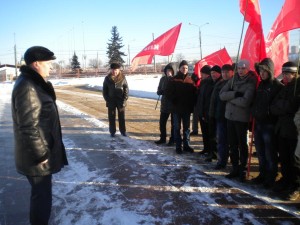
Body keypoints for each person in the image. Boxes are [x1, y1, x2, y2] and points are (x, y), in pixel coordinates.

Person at [11, 46, 68, 225]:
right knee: (41, 198)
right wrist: (41, 155)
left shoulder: (33, 83)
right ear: (36, 64)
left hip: (40, 152)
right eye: (48, 63)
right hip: (37, 157)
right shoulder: (28, 87)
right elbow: (28, 127)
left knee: (42, 196)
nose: (51, 67)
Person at [220, 59, 258, 182]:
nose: (241, 71)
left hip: (241, 118)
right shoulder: (233, 80)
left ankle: (242, 168)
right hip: (229, 116)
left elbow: (245, 102)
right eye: (239, 68)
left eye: (243, 68)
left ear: (248, 69)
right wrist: (235, 94)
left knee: (242, 145)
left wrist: (229, 97)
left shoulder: (251, 82)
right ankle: (235, 168)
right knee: (232, 144)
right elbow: (222, 95)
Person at [250, 58, 283, 188]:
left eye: (264, 71)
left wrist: (268, 113)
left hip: (269, 125)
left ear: (270, 71)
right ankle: (262, 173)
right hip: (258, 123)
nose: (262, 73)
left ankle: (271, 175)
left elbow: (277, 106)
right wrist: (254, 111)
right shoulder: (260, 84)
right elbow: (256, 102)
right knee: (260, 151)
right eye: (260, 70)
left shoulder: (277, 86)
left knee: (270, 152)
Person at [270, 61, 300, 200]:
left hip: (293, 130)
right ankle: (286, 180)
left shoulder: (297, 87)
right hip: (281, 128)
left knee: (294, 160)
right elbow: (274, 106)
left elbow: (292, 106)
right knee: (284, 158)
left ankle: (295, 185)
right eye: (284, 74)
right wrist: (285, 107)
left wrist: (285, 107)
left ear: (295, 74)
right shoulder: (284, 87)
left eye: (288, 74)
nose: (285, 77)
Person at [165, 60, 197, 154]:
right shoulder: (174, 80)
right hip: (176, 109)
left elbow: (194, 94)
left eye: (186, 68)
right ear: (179, 68)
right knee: (177, 128)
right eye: (183, 67)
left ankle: (186, 145)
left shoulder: (190, 80)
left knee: (187, 128)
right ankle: (178, 146)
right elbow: (167, 93)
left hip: (187, 109)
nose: (184, 69)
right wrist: (173, 99)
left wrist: (192, 104)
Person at [209, 64, 234, 169]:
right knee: (221, 141)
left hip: (232, 116)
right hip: (220, 116)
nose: (225, 74)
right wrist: (212, 114)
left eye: (227, 72)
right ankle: (221, 161)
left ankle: (236, 162)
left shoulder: (234, 83)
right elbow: (214, 100)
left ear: (232, 72)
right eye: (223, 72)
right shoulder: (220, 84)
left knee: (233, 142)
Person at [103, 63, 129, 137]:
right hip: (111, 101)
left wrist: (124, 100)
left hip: (121, 101)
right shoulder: (107, 78)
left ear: (119, 70)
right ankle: (112, 132)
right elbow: (104, 91)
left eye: (116, 70)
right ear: (111, 70)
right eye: (113, 70)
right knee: (111, 117)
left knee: (122, 118)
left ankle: (123, 131)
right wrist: (107, 100)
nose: (115, 71)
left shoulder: (123, 77)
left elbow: (126, 89)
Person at [154, 63, 175, 145]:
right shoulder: (162, 79)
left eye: (170, 71)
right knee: (162, 123)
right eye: (167, 70)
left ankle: (172, 139)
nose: (168, 72)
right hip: (165, 104)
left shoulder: (174, 79)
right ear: (165, 72)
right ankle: (162, 138)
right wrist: (159, 92)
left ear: (173, 71)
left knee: (174, 124)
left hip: (173, 104)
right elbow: (159, 89)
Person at [195, 65, 212, 155]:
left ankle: (210, 150)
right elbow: (200, 96)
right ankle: (206, 148)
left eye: (202, 73)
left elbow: (208, 99)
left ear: (206, 74)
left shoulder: (210, 83)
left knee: (209, 133)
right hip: (202, 111)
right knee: (204, 132)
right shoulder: (203, 82)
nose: (201, 75)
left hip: (207, 111)